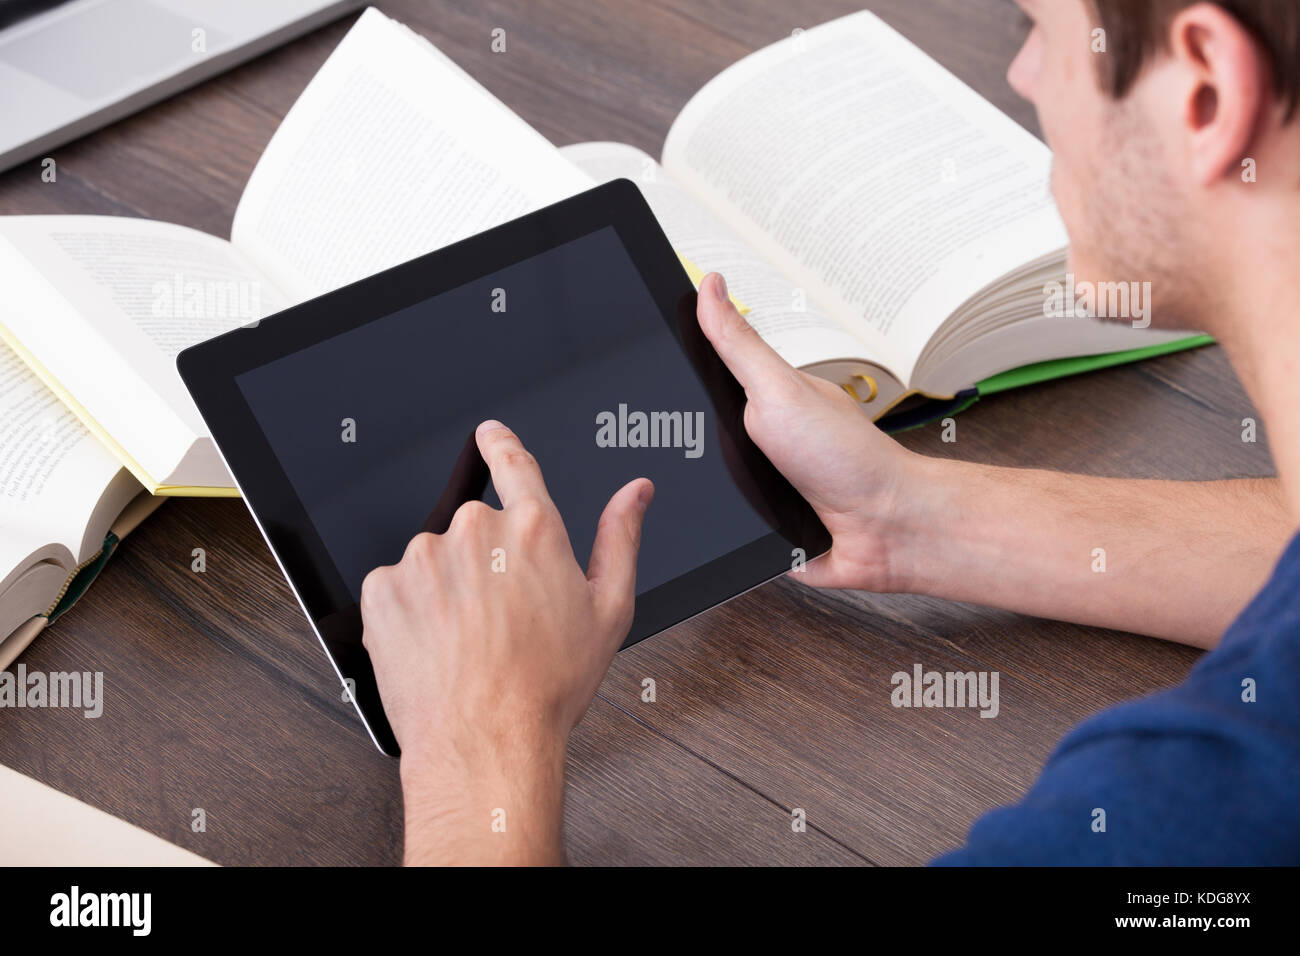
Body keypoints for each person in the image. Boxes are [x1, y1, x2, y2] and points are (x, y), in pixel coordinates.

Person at [358, 0, 1300, 865]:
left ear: (1207, 91)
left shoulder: (1194, 817)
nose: (1023, 78)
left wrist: (473, 755)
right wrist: (908, 514)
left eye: (1041, 30)